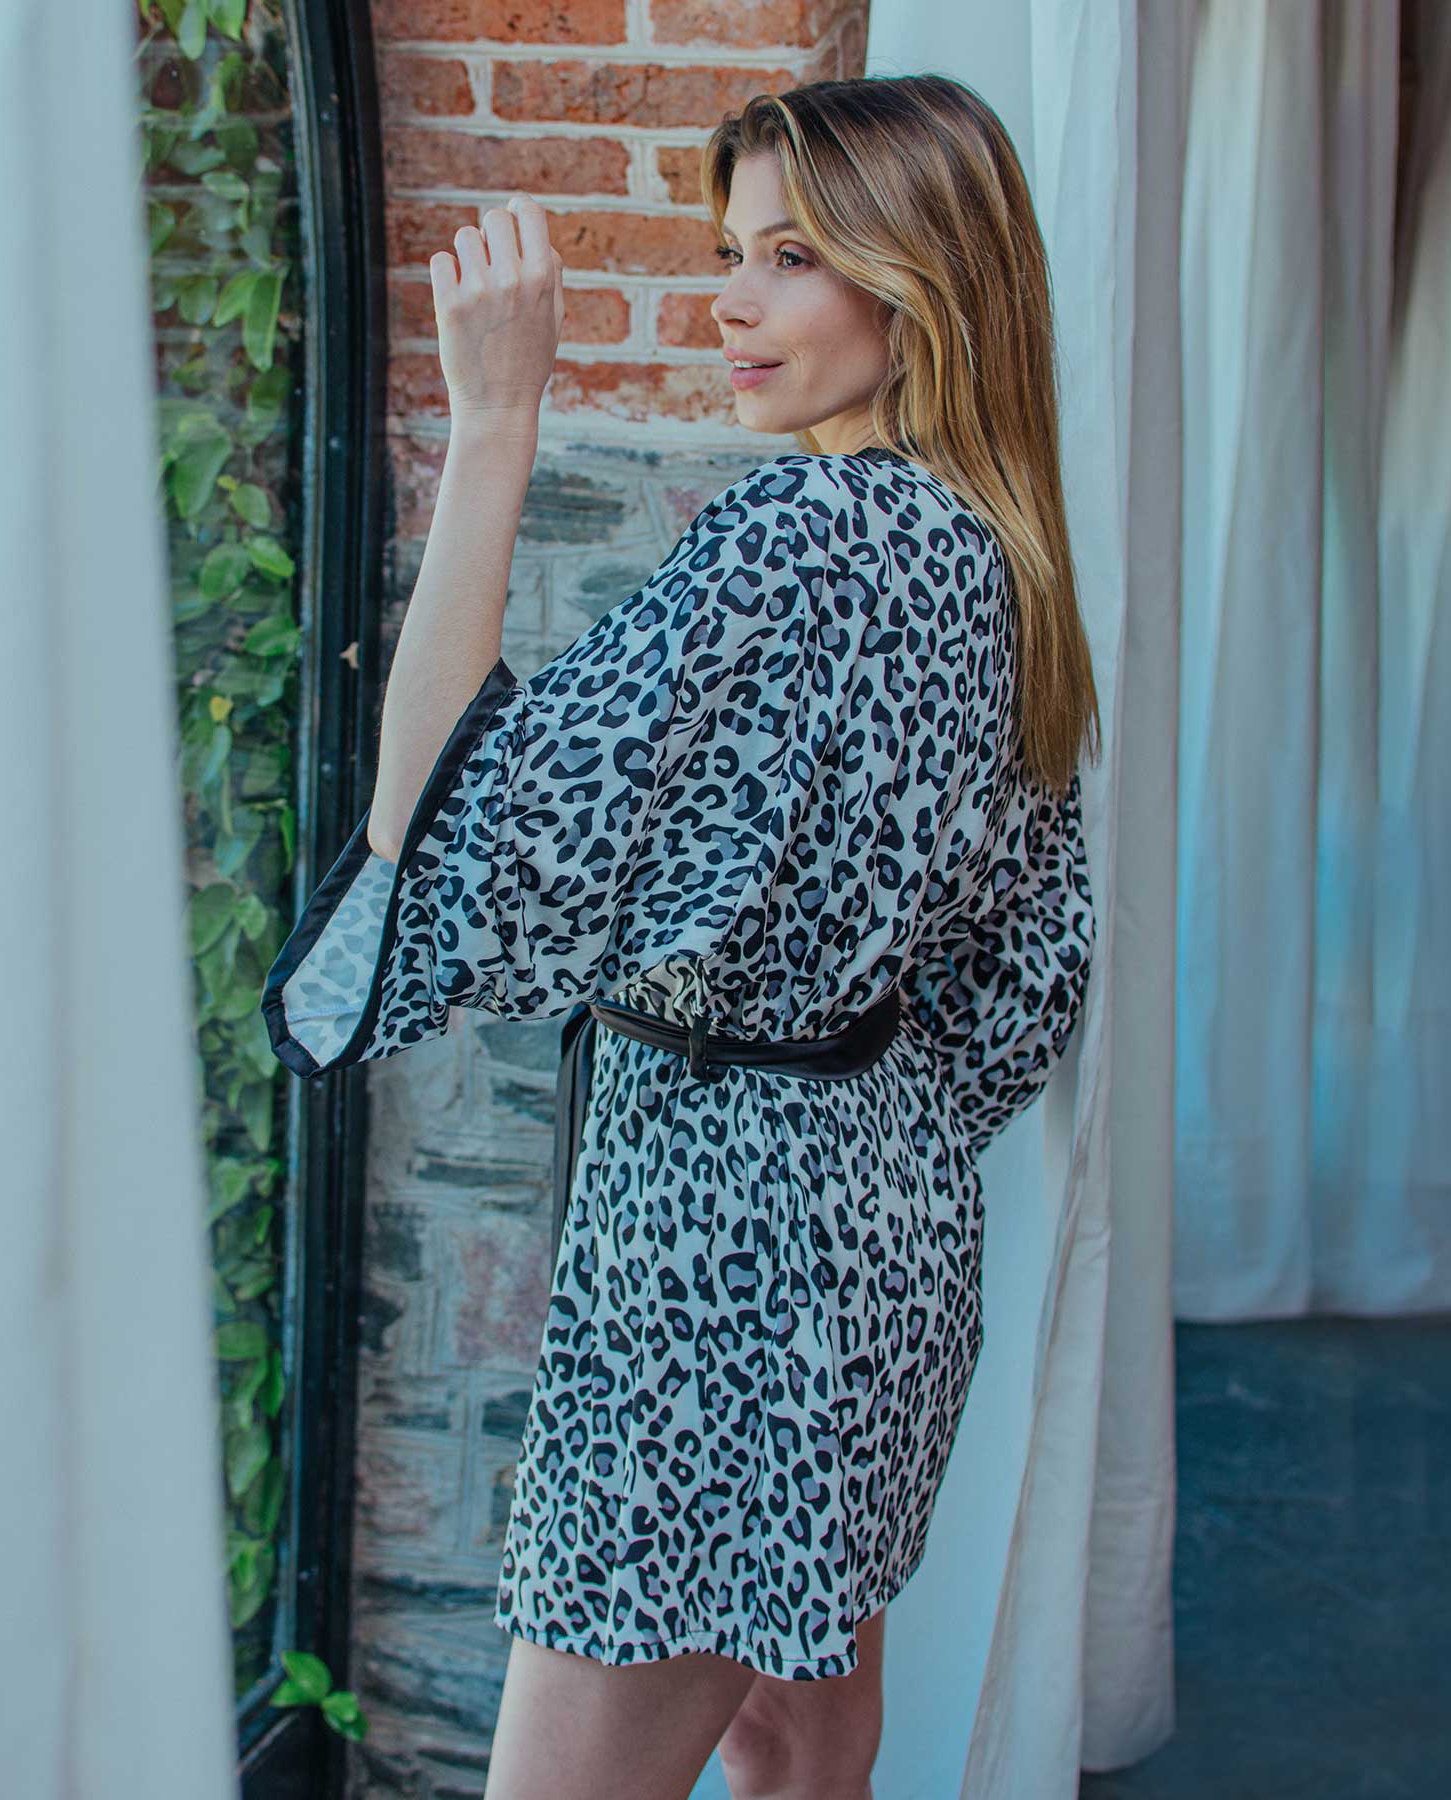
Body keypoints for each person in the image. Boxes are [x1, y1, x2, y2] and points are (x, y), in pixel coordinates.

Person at [262, 71, 1100, 1800]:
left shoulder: (803, 539)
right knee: (801, 1742)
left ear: (926, 277)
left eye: (794, 256)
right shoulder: (1001, 556)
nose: (732, 300)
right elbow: (1027, 972)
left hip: (720, 1246)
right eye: (732, 252)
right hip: (882, 1226)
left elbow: (449, 822)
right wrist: (858, 1102)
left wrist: (495, 421)